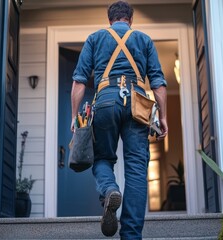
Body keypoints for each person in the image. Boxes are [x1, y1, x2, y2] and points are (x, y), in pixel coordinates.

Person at [70, 1, 168, 239]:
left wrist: (75, 117)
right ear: (130, 20)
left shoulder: (95, 38)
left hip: (105, 101)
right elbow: (159, 85)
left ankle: (110, 190)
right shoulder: (144, 39)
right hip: (138, 104)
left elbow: (79, 82)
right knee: (136, 170)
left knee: (103, 157)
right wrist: (163, 117)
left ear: (110, 20)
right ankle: (131, 235)